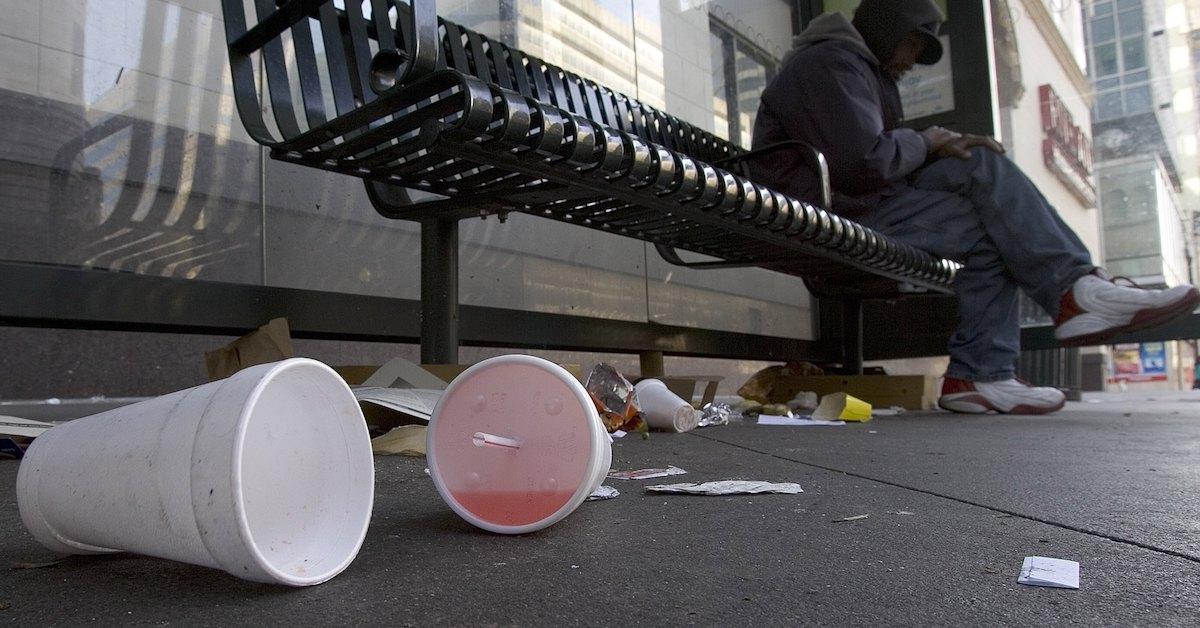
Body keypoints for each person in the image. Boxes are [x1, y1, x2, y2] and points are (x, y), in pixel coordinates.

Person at [751, 0, 1199, 415]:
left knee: (986, 190)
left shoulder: (862, 69)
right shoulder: (830, 62)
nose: (911, 59)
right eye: (912, 43)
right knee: (988, 200)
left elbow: (870, 162)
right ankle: (1047, 317)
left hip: (851, 200)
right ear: (890, 29)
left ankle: (994, 364)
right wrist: (928, 142)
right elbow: (864, 162)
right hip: (824, 206)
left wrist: (943, 146)